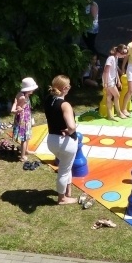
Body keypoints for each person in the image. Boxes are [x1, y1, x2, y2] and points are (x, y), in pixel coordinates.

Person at [44, 75, 79, 204]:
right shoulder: (65, 105)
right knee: (64, 170)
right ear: (64, 88)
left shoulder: (48, 99)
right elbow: (71, 126)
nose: (70, 88)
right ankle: (62, 198)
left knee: (66, 165)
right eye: (69, 86)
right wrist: (70, 130)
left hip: (51, 140)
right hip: (65, 143)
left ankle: (68, 191)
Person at [11, 77, 38, 162]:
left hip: (27, 117)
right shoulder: (22, 97)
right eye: (32, 89)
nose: (33, 90)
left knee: (27, 136)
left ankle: (26, 150)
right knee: (24, 138)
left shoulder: (22, 94)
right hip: (23, 120)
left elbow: (15, 102)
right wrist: (17, 110)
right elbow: (15, 107)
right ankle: (22, 156)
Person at [103, 44, 127, 120]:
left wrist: (118, 80)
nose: (123, 57)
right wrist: (106, 83)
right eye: (123, 55)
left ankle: (110, 115)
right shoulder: (111, 58)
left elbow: (115, 69)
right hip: (109, 81)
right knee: (117, 95)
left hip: (111, 80)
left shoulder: (115, 57)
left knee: (109, 96)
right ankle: (119, 113)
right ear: (119, 52)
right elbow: (106, 71)